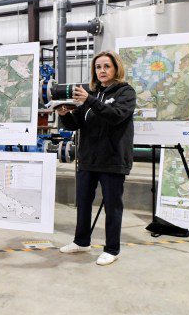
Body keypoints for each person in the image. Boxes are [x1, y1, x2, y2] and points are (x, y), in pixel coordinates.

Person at [56, 50, 136, 266]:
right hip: (88, 159)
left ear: (116, 68)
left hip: (112, 159)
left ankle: (112, 249)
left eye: (106, 66)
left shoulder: (125, 92)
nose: (102, 70)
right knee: (82, 203)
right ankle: (81, 241)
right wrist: (65, 115)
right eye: (98, 67)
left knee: (112, 206)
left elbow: (116, 116)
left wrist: (90, 100)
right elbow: (78, 125)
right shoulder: (92, 94)